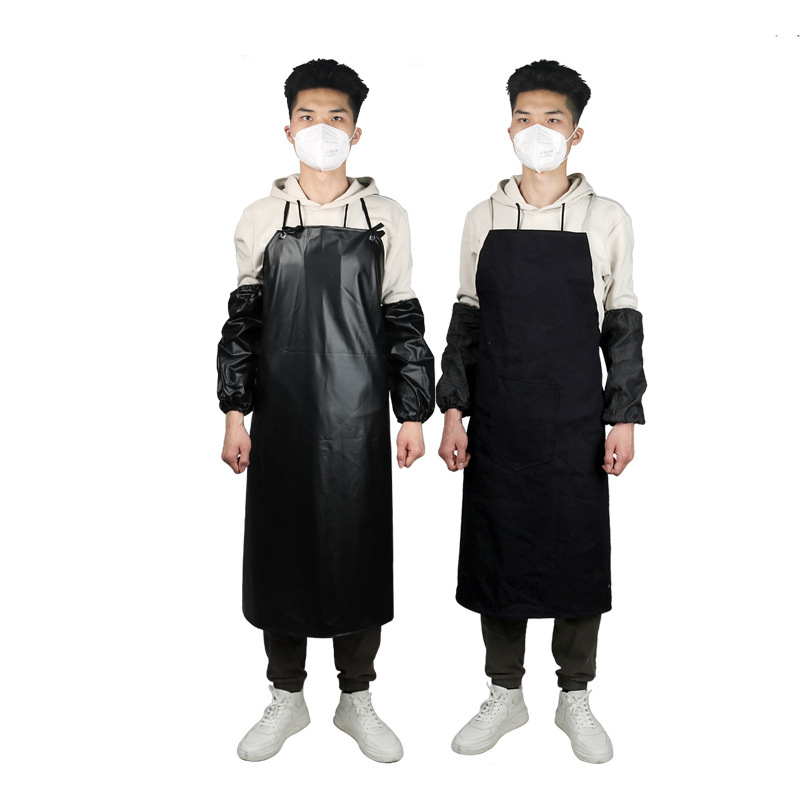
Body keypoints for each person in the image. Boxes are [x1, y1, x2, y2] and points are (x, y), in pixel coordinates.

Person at [217, 58, 435, 764]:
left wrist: (411, 413)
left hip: (358, 417)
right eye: (307, 117)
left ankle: (356, 697)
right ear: (288, 129)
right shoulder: (262, 217)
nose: (321, 129)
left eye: (335, 117)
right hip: (282, 415)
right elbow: (243, 326)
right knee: (280, 548)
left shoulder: (385, 217)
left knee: (355, 548)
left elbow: (402, 318)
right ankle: (286, 695)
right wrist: (234, 414)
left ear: (356, 131)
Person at [436, 59, 646, 764]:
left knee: (575, 550)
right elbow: (466, 319)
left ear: (576, 133)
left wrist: (623, 417)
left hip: (573, 418)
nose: (537, 130)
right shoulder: (483, 216)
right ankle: (505, 692)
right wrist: (454, 411)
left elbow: (622, 321)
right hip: (498, 415)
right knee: (497, 545)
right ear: (509, 128)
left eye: (552, 119)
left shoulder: (606, 218)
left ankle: (575, 695)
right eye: (524, 117)